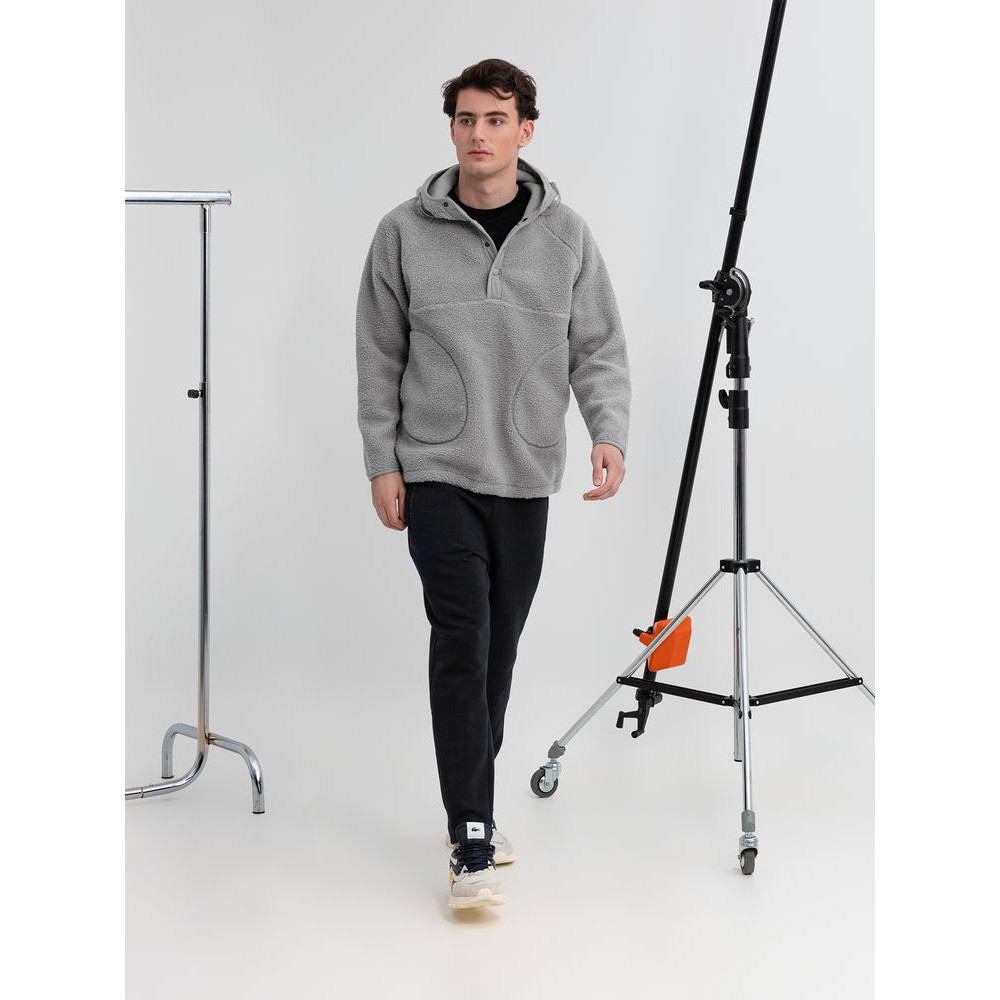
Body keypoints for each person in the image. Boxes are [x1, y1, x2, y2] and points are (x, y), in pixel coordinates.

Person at [355, 57, 631, 909]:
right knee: (463, 636)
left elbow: (598, 346)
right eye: (466, 119)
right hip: (436, 467)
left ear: (525, 130)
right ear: (452, 129)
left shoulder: (567, 235)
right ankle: (471, 831)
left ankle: (470, 802)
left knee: (497, 653)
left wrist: (608, 433)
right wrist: (382, 461)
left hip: (525, 472)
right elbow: (378, 356)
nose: (479, 134)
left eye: (496, 119)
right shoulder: (402, 233)